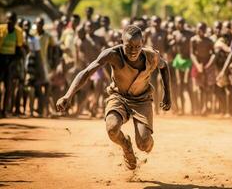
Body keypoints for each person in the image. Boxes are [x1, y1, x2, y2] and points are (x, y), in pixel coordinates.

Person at [56, 25, 171, 170]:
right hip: (118, 97)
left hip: (142, 100)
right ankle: (126, 146)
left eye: (138, 46)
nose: (134, 50)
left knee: (143, 144)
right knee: (111, 129)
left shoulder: (151, 56)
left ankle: (146, 141)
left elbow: (164, 66)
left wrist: (167, 94)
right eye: (129, 46)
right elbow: (86, 73)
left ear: (143, 42)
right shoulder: (112, 54)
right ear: (121, 41)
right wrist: (68, 95)